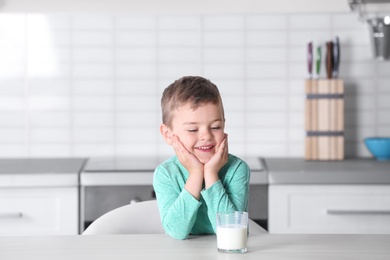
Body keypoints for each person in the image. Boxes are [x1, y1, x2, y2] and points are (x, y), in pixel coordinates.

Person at [153, 76, 250, 240]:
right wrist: (196, 174)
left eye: (215, 127)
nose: (206, 135)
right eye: (192, 129)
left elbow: (232, 233)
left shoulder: (237, 169)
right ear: (168, 135)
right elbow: (176, 232)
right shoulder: (165, 173)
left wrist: (211, 174)